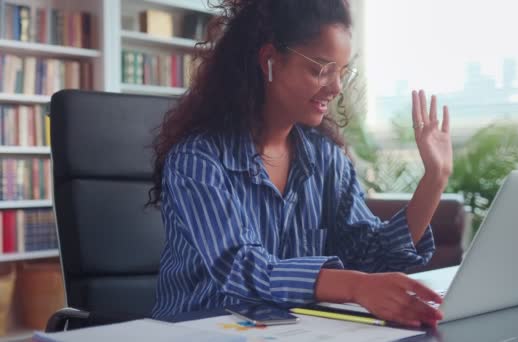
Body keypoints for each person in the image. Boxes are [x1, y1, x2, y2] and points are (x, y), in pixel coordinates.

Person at [148, 0, 452, 328]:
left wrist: (434, 179)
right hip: (199, 330)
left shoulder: (326, 159)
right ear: (270, 61)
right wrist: (355, 285)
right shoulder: (198, 159)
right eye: (321, 69)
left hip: (297, 331)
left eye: (341, 72)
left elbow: (371, 256)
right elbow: (241, 269)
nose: (336, 88)